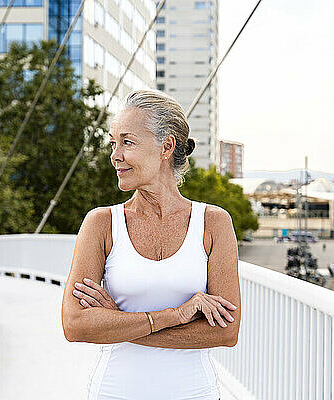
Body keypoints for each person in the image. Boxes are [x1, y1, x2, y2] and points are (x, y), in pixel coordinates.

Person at [61, 89, 239, 400]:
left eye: (127, 142)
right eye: (113, 143)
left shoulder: (214, 222)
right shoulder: (101, 223)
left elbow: (225, 331)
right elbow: (76, 325)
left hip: (195, 393)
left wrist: (119, 321)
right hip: (114, 393)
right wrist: (176, 315)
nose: (115, 155)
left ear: (166, 146)